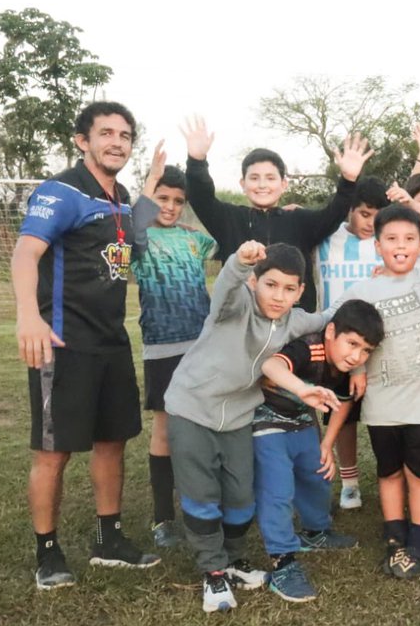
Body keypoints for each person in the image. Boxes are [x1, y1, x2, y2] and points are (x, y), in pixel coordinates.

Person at [14, 101, 160, 589]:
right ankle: (47, 551)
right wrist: (28, 316)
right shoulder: (61, 191)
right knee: (53, 452)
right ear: (83, 140)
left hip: (112, 342)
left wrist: (151, 191)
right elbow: (24, 252)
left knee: (112, 442)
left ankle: (109, 539)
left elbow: (130, 243)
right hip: (63, 342)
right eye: (106, 133)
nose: (117, 141)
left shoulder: (118, 199)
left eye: (125, 135)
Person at [165, 241, 332, 612]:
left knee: (241, 497)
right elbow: (225, 287)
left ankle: (233, 559)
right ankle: (213, 572)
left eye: (290, 289)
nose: (278, 296)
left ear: (300, 291)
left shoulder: (293, 319)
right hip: (192, 409)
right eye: (271, 285)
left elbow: (328, 317)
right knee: (202, 494)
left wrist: (368, 294)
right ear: (255, 281)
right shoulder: (235, 304)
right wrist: (239, 262)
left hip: (239, 417)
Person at [329, 204, 420, 579]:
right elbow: (339, 323)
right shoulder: (363, 289)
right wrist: (357, 366)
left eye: (410, 239)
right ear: (377, 246)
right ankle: (395, 536)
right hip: (382, 402)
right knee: (389, 471)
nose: (401, 246)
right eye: (391, 239)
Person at [255, 300, 382, 602]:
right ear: (331, 332)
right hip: (265, 420)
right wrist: (301, 389)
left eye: (365, 350)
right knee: (277, 489)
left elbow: (344, 401)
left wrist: (327, 444)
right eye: (352, 344)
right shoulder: (309, 347)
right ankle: (282, 560)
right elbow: (270, 365)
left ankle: (315, 531)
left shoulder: (344, 363)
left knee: (317, 473)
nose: (357, 356)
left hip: (301, 422)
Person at [180, 116, 373, 311]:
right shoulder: (229, 219)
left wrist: (348, 180)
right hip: (243, 323)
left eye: (270, 178)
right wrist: (197, 162)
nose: (262, 185)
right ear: (243, 184)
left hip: (294, 325)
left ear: (283, 184)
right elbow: (201, 198)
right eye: (254, 178)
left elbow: (334, 213)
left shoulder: (300, 220)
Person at [130, 150, 217, 548]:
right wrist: (150, 182)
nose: (169, 207)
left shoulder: (197, 240)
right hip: (163, 348)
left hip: (201, 347)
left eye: (177, 201)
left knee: (202, 426)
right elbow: (133, 224)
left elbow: (229, 235)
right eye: (163, 198)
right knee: (164, 429)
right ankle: (163, 517)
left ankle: (205, 504)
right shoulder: (141, 239)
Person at [313, 176, 389, 510]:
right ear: (349, 210)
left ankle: (392, 472)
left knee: (382, 413)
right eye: (364, 213)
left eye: (377, 215)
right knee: (341, 414)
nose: (370, 223)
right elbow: (303, 223)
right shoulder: (327, 238)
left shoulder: (385, 241)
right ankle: (350, 482)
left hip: (377, 341)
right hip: (338, 343)